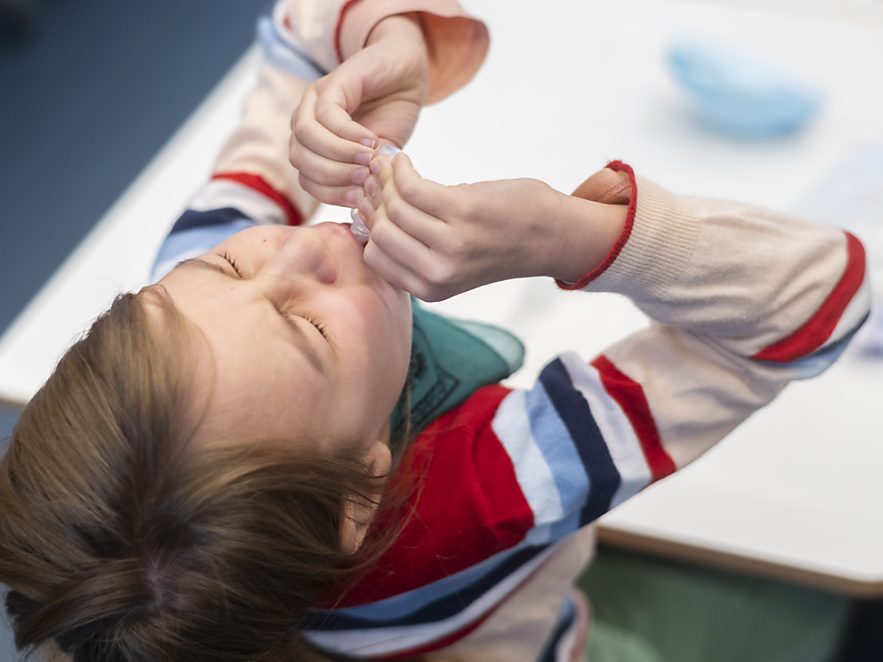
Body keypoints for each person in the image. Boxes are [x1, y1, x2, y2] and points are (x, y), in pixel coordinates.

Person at [0, 2, 870, 661]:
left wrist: (387, 41)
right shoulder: (490, 491)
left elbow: (293, 36)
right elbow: (818, 304)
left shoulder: (191, 308)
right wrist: (570, 236)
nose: (301, 245)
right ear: (359, 493)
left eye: (223, 266)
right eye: (307, 326)